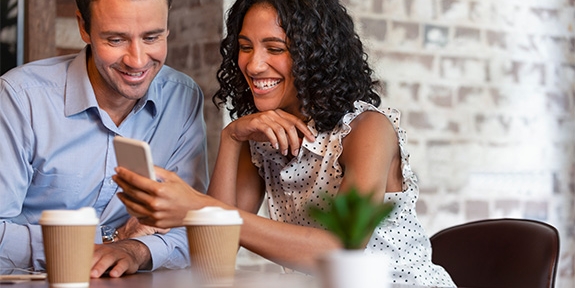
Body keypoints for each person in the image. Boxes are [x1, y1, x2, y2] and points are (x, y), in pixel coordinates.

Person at [113, 0, 455, 286]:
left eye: (275, 49)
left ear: (316, 55)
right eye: (245, 47)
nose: (254, 64)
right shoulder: (260, 138)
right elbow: (213, 256)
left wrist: (199, 208)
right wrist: (232, 138)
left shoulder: (367, 129)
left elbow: (343, 248)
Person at [0, 0, 208, 278]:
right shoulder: (20, 97)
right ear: (83, 28)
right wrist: (111, 237)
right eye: (116, 39)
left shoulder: (182, 97)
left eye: (152, 37)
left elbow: (193, 230)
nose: (137, 60)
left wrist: (135, 250)